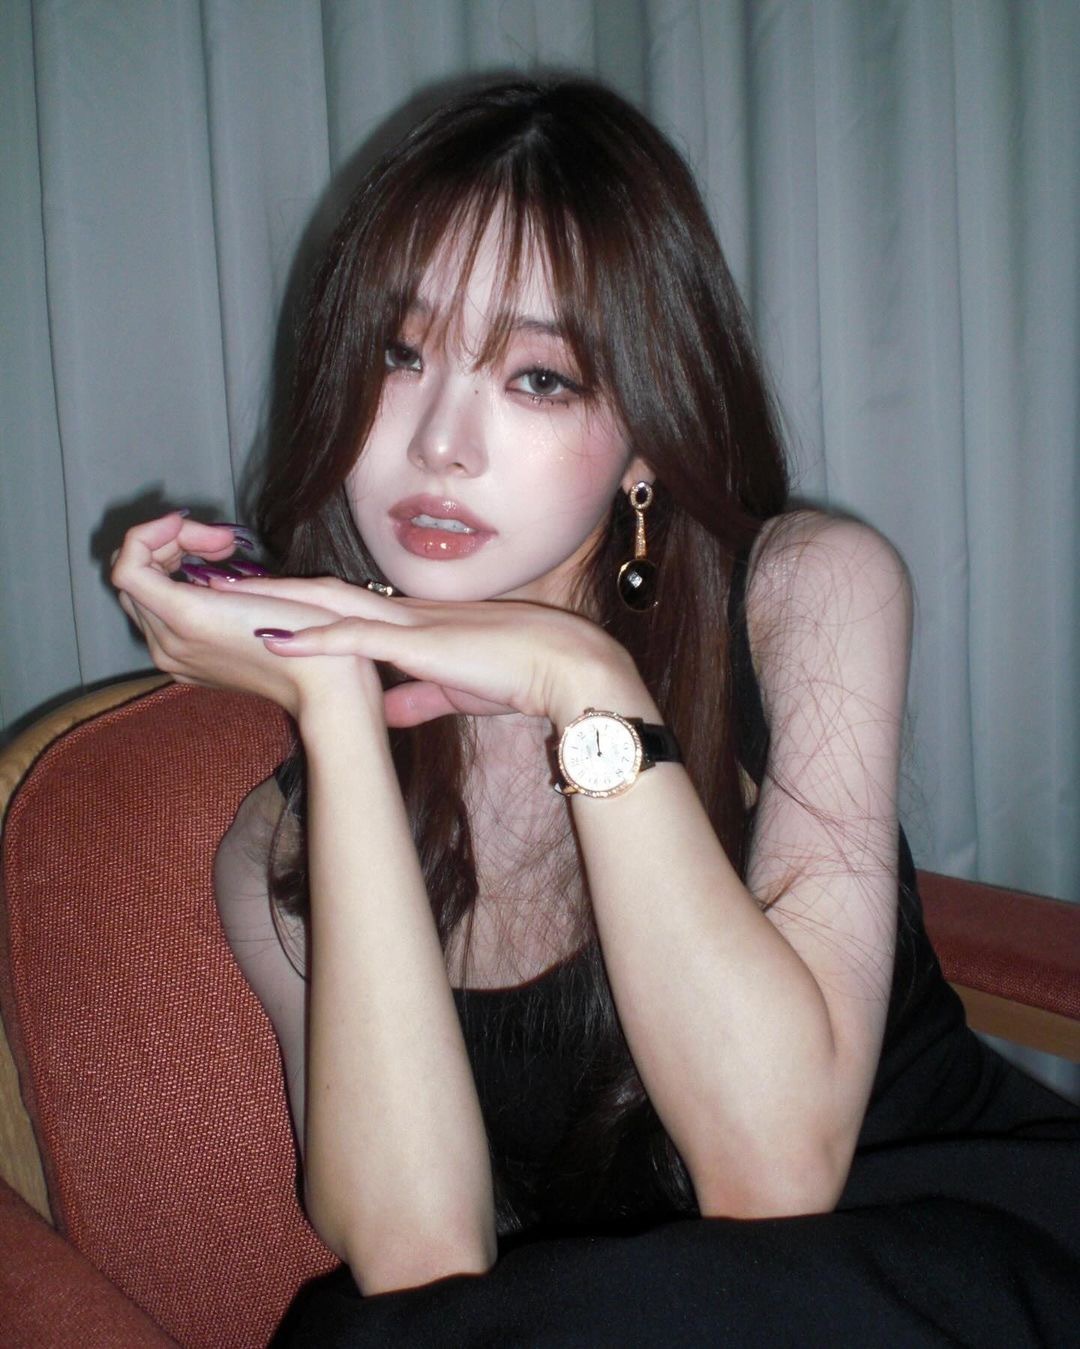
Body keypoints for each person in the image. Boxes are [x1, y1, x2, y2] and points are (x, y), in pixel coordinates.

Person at [111, 78, 1078, 1346]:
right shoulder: (280, 846)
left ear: (646, 434)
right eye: (399, 355)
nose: (441, 442)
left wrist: (587, 683)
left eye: (538, 376)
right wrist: (338, 713)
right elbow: (417, 1255)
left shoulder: (806, 590)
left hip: (959, 1250)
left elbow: (776, 1170)